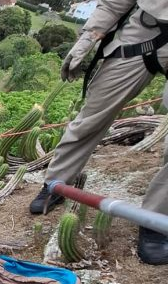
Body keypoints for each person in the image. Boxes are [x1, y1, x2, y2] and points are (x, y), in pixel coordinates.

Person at [29, 0, 168, 265]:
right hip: (147, 29)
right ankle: (56, 182)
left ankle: (157, 221)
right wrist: (89, 38)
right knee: (92, 116)